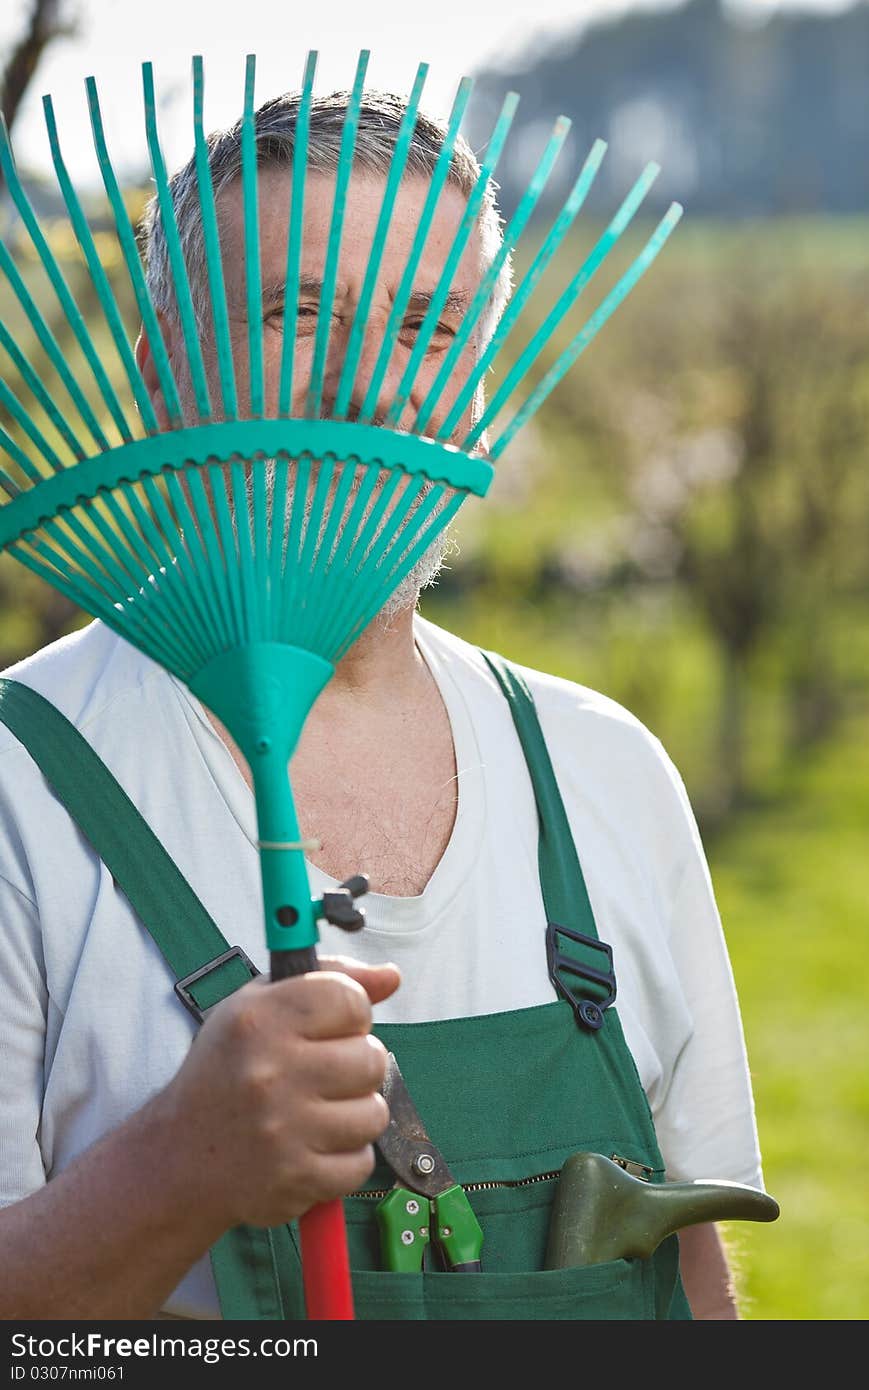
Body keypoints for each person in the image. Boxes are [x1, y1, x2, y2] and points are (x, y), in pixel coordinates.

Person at [0, 84, 764, 1322]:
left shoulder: (603, 770)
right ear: (160, 369)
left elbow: (687, 1261)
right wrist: (172, 1173)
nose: (372, 387)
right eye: (302, 311)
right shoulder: (21, 791)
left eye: (427, 329)